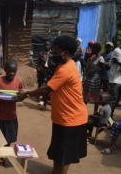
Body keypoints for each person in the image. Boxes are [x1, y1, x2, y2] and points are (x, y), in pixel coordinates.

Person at [16, 35, 88, 174]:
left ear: (65, 53)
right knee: (58, 150)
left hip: (71, 119)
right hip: (63, 117)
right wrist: (25, 91)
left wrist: (26, 94)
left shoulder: (65, 69)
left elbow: (47, 88)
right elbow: (48, 86)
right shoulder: (67, 65)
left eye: (55, 52)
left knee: (64, 155)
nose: (53, 55)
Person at [0, 59, 23, 168]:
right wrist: (0, 95)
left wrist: (16, 98)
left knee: (8, 139)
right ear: (5, 70)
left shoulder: (18, 82)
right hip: (0, 115)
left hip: (11, 116)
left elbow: (21, 95)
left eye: (14, 71)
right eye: (10, 71)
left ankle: (4, 157)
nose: (12, 73)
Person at [83, 43, 105, 113]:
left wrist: (95, 73)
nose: (90, 50)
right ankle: (83, 110)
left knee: (96, 96)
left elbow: (102, 70)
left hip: (95, 80)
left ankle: (95, 112)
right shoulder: (93, 58)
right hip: (89, 79)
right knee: (85, 95)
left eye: (92, 49)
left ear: (95, 49)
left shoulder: (101, 59)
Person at [108, 46, 121, 118]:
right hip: (115, 80)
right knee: (112, 101)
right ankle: (107, 119)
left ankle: (110, 117)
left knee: (116, 101)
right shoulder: (117, 51)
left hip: (119, 80)